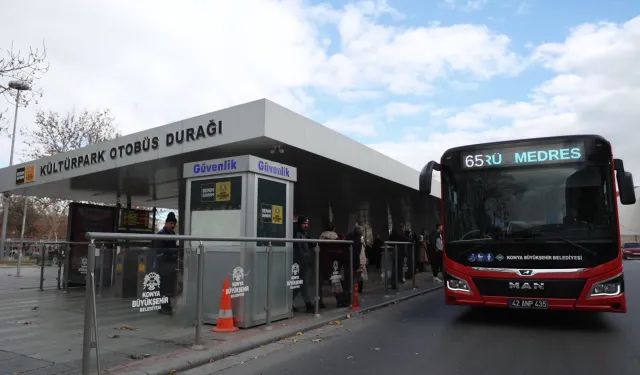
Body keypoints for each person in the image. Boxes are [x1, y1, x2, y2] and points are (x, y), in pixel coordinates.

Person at [153, 212, 179, 314]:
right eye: (171, 223)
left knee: (169, 286)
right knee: (164, 285)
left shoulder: (172, 234)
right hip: (164, 264)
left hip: (171, 263)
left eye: (174, 224)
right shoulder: (160, 235)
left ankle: (167, 305)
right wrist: (172, 251)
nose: (172, 225)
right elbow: (158, 250)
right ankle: (163, 306)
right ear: (166, 223)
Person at [292, 216, 318, 313]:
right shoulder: (298, 234)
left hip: (302, 262)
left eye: (307, 223)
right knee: (302, 284)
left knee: (298, 285)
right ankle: (308, 304)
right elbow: (300, 250)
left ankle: (290, 303)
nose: (306, 225)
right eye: (304, 223)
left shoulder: (302, 234)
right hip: (300, 263)